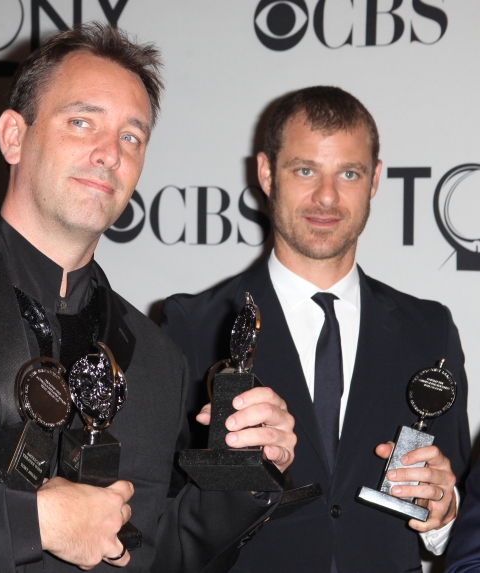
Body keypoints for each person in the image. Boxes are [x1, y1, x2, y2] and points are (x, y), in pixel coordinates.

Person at [0, 24, 297, 573]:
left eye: (132, 136)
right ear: (13, 136)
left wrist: (244, 473)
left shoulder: (156, 358)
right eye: (81, 122)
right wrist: (33, 524)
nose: (109, 154)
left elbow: (155, 551)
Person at [160, 86, 471, 573]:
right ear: (266, 173)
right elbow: (163, 513)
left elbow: (460, 499)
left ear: (374, 181)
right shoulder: (192, 326)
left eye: (349, 173)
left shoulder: (429, 330)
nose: (326, 197)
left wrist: (443, 515)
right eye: (305, 170)